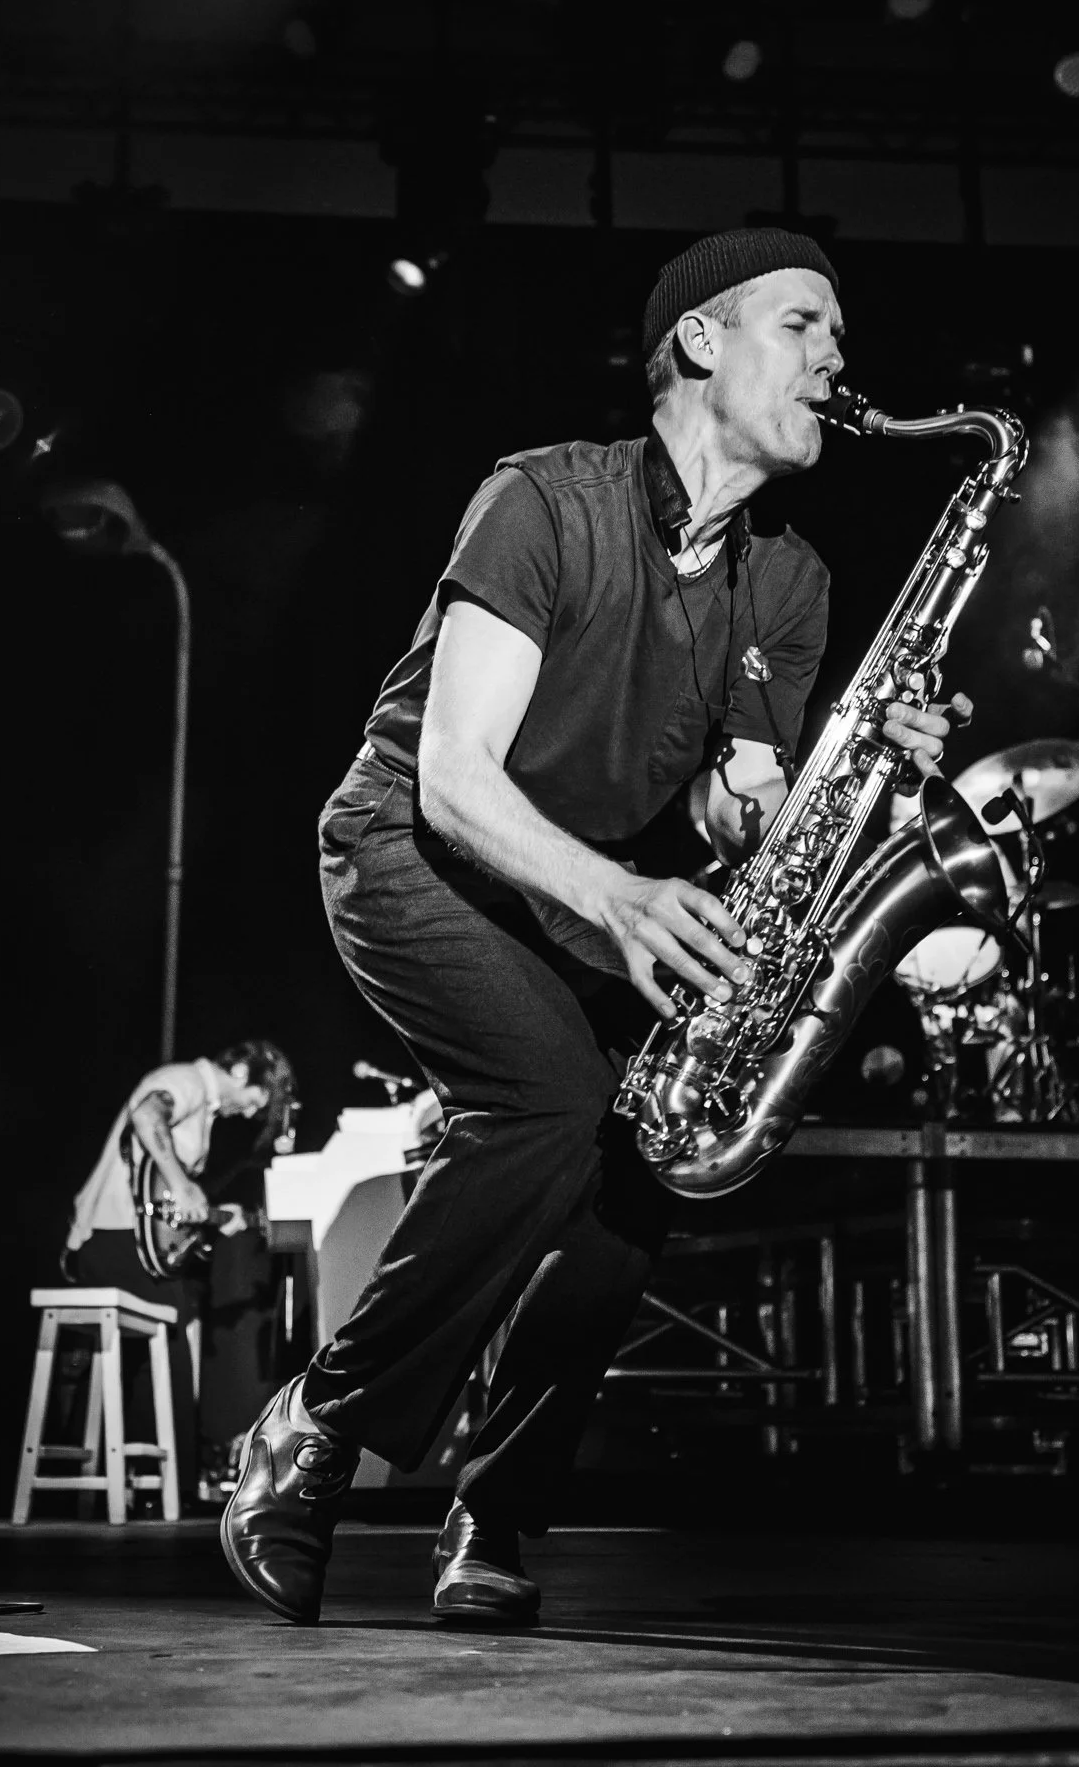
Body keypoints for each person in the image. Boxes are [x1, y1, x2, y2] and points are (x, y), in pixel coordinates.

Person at [220, 228, 970, 1623]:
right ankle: (312, 1427)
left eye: (838, 333)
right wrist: (619, 897)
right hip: (412, 851)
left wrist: (858, 777)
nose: (837, 357)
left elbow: (737, 807)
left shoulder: (791, 582)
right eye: (804, 324)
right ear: (700, 341)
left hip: (575, 897)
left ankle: (497, 1514)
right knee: (554, 1099)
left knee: (651, 1164)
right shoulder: (542, 501)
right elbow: (453, 776)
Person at [63, 1040, 297, 1499]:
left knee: (183, 1311)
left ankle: (150, 1483)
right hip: (111, 1239)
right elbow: (147, 1114)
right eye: (256, 1100)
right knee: (173, 1326)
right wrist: (181, 1183)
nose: (252, 1112)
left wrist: (216, 1217)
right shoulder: (186, 1081)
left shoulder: (203, 1108)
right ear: (242, 1074)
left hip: (134, 1242)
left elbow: (167, 1203)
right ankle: (168, 1486)